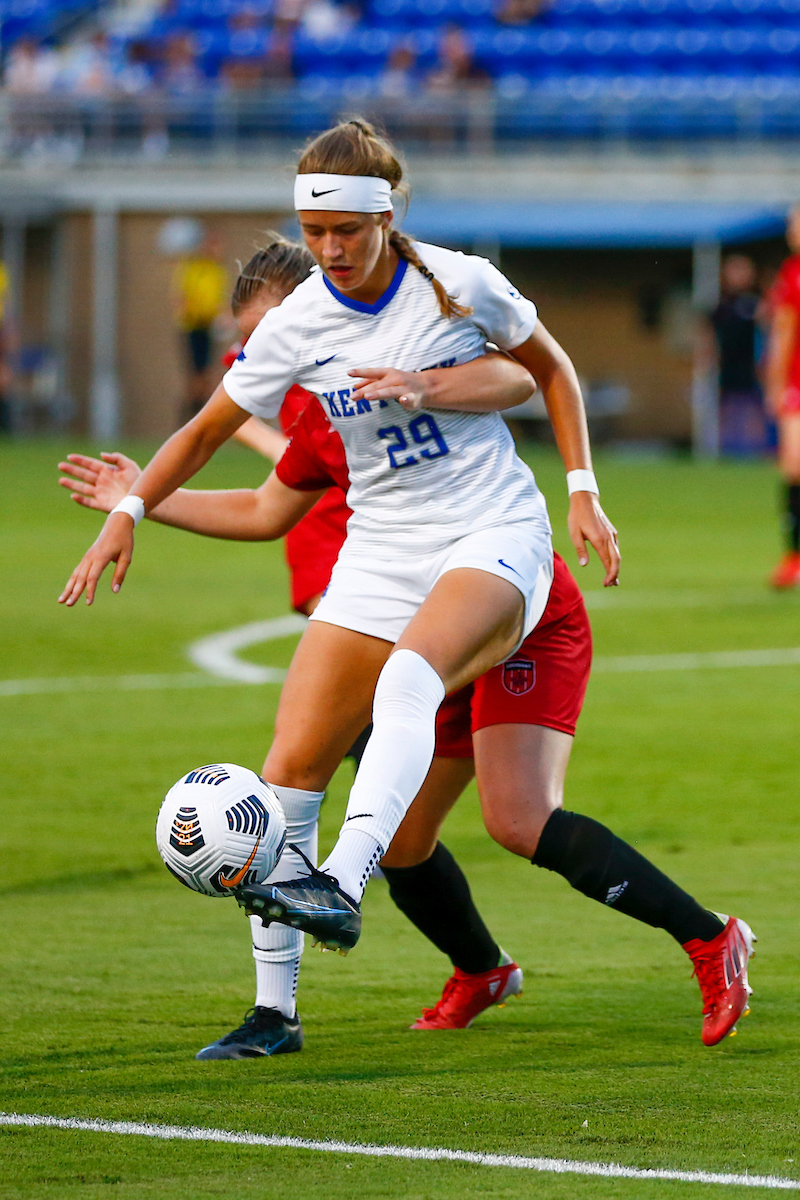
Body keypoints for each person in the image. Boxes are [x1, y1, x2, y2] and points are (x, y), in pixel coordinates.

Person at [60, 151, 753, 1051]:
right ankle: (280, 1012)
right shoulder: (303, 350)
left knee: (464, 754)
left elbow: (535, 370)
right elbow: (227, 457)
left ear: (385, 217)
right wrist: (132, 508)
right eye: (315, 233)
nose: (331, 249)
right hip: (387, 557)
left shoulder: (454, 282)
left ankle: (345, 887)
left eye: (344, 230)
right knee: (295, 774)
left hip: (494, 541)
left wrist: (578, 484)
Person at [766, 205, 800, 589]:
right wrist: (775, 385)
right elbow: (783, 332)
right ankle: (793, 557)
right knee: (793, 467)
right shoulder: (792, 274)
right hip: (797, 385)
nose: (793, 231)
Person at [708, 255, 765, 458]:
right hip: (728, 368)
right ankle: (727, 453)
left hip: (752, 368)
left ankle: (754, 453)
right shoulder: (722, 304)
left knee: (753, 412)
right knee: (728, 412)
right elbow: (709, 334)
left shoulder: (757, 302)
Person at [171, 227, 229, 420]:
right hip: (194, 327)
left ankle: (198, 416)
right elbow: (183, 299)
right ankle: (189, 417)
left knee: (206, 375)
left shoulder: (218, 271)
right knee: (196, 376)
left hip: (209, 328)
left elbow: (219, 301)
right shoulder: (194, 269)